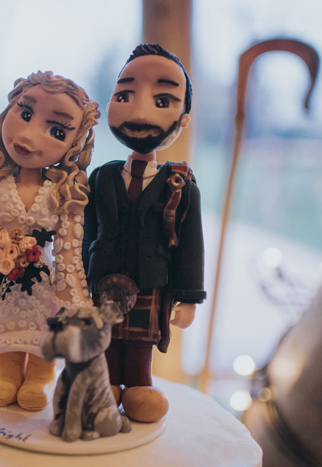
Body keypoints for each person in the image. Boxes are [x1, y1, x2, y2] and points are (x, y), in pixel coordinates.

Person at [82, 44, 206, 423]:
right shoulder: (101, 176)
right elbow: (86, 233)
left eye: (163, 99)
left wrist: (187, 298)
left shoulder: (179, 184)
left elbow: (190, 246)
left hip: (151, 282)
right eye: (125, 95)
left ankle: (137, 386)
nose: (139, 110)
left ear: (183, 120)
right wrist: (73, 279)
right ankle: (103, 386)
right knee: (102, 339)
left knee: (138, 344)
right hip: (100, 281)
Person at [0, 71, 100, 411]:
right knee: (5, 323)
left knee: (43, 327)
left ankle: (38, 378)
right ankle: (7, 375)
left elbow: (69, 246)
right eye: (25, 114)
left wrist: (71, 290)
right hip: (4, 277)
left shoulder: (61, 193)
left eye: (56, 130)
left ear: (74, 142)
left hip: (42, 282)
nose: (28, 135)